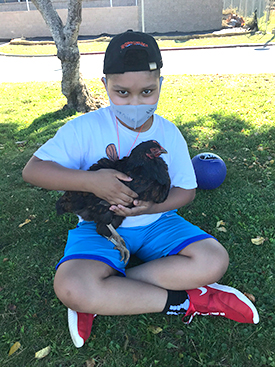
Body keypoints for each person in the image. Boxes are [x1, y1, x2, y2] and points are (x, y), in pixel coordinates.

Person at [22, 30, 259, 348]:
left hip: (159, 224)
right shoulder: (84, 129)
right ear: (105, 86)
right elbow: (33, 171)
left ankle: (108, 295)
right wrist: (90, 181)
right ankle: (189, 300)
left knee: (214, 260)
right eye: (122, 92)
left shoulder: (169, 134)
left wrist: (152, 208)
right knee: (72, 288)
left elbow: (185, 192)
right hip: (99, 227)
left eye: (147, 91)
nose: (135, 103)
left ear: (161, 84)